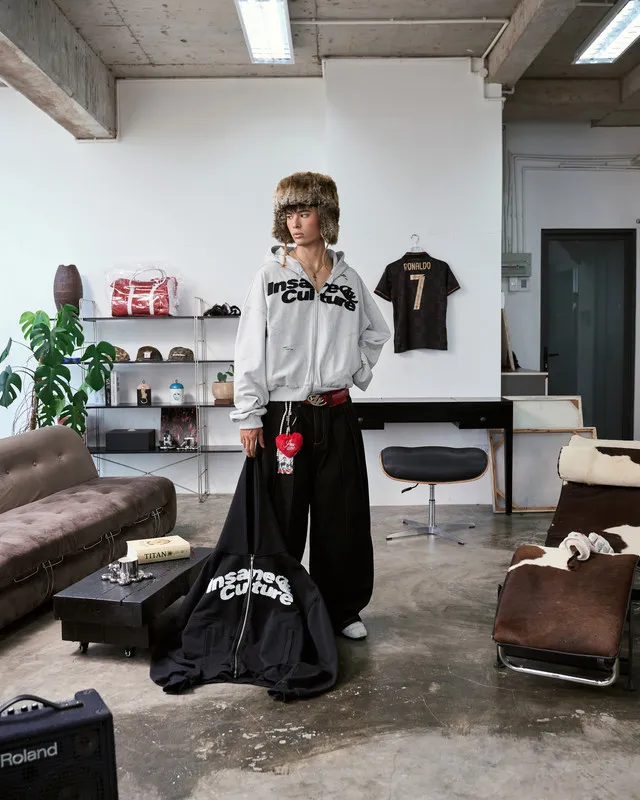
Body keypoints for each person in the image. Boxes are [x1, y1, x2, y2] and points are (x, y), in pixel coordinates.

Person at [231, 172, 390, 640]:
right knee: (283, 518)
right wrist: (248, 414)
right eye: (288, 214)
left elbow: (377, 332)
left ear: (326, 215)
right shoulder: (269, 276)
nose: (295, 223)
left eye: (304, 212)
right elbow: (249, 348)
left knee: (342, 516)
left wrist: (354, 369)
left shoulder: (349, 279)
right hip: (286, 415)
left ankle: (342, 610)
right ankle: (278, 608)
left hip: (337, 413)